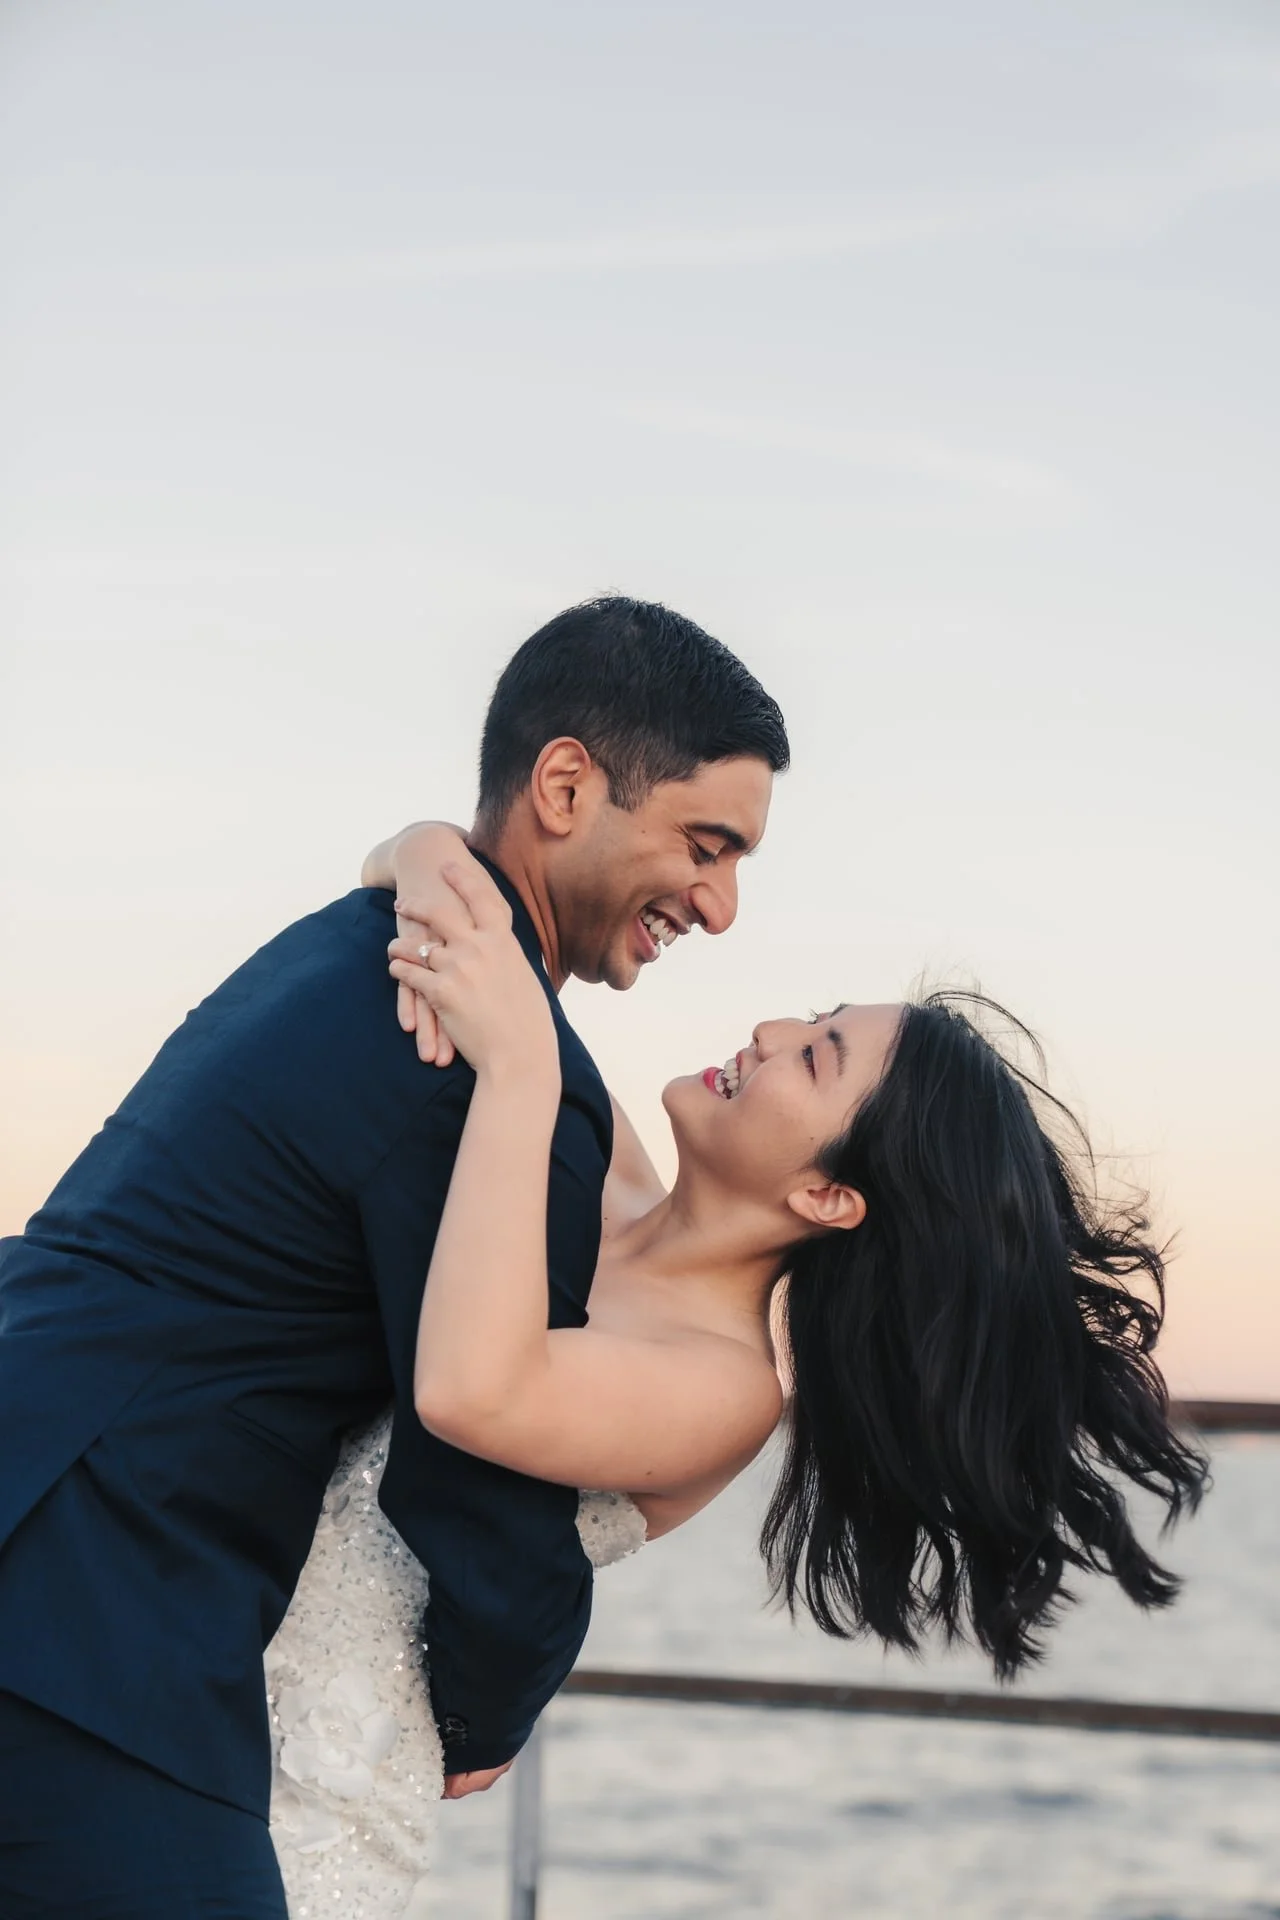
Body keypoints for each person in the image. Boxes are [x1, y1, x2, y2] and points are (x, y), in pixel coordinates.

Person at [0, 596, 788, 1918]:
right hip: (85, 1594)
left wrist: (423, 847)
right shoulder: (488, 1070)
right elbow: (469, 1475)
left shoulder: (373, 943)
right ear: (564, 785)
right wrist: (490, 1709)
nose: (718, 904)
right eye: (706, 845)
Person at [267, 827, 1207, 1916]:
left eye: (813, 1056)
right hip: (178, 1612)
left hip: (305, 1793)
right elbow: (450, 902)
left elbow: (471, 1393)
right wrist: (427, 850)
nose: (766, 1030)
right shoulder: (582, 1147)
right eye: (809, 1018)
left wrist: (519, 1064)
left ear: (827, 1197)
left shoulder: (723, 1390)